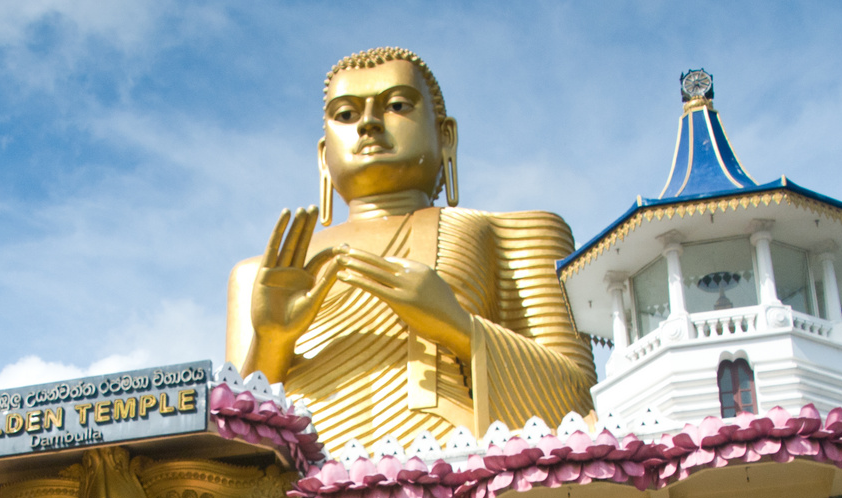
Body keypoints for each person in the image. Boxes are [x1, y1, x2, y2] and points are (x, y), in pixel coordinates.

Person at [227, 47, 597, 450]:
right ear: (323, 155)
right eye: (346, 114)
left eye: (397, 105)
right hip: (298, 489)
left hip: (451, 471)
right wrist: (272, 341)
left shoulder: (512, 232)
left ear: (445, 135)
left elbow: (576, 404)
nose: (368, 124)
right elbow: (237, 443)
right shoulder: (263, 274)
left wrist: (457, 327)